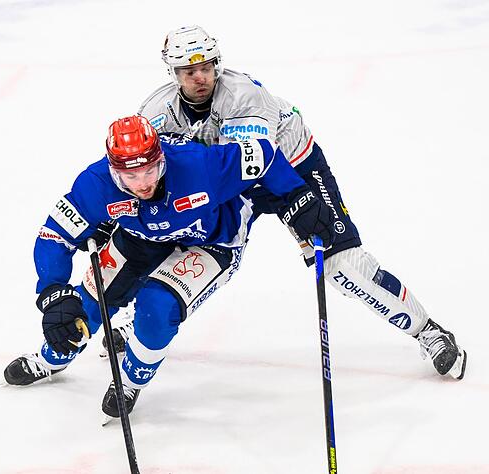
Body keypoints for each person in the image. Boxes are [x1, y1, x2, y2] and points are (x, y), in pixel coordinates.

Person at [131, 25, 467, 379]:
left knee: (341, 265)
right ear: (173, 73)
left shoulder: (243, 95)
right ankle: (138, 321)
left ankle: (428, 331)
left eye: (207, 66)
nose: (201, 77)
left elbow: (256, 162)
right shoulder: (155, 112)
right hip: (231, 183)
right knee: (172, 236)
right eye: (189, 71)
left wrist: (297, 198)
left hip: (291, 168)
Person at [3, 115, 336, 419]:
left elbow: (267, 155)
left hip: (212, 241)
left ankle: (131, 380)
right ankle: (51, 358)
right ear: (114, 171)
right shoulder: (95, 184)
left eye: (149, 170)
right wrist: (53, 289)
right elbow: (53, 236)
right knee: (86, 304)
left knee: (157, 309)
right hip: (140, 238)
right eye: (131, 176)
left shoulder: (201, 165)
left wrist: (298, 196)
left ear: (161, 157)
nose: (143, 183)